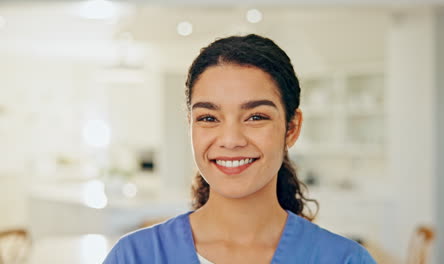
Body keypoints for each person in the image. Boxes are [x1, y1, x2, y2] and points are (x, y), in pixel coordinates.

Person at [103, 34, 376, 264]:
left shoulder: (345, 260)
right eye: (209, 118)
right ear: (191, 126)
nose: (231, 139)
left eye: (256, 117)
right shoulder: (136, 257)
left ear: (291, 129)